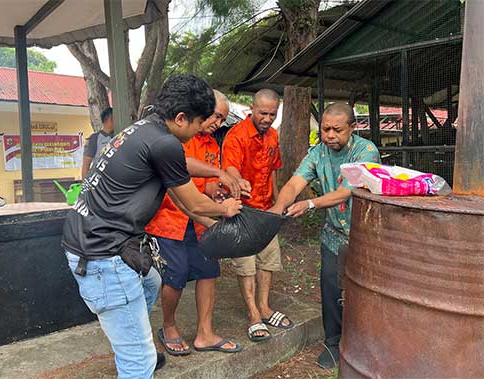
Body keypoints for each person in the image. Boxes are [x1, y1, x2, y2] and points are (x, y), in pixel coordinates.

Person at [61, 75, 242, 379]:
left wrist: (217, 173)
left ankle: (132, 338)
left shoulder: (146, 128)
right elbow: (194, 203)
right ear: (182, 117)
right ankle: (135, 354)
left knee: (151, 282)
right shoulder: (164, 143)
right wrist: (224, 210)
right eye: (200, 122)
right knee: (140, 363)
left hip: (87, 241)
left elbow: (182, 176)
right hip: (102, 256)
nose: (201, 129)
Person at [268, 102, 381, 369]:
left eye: (337, 130)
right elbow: (296, 182)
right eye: (325, 129)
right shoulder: (318, 152)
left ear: (352, 128)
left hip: (365, 234)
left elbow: (347, 190)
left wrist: (309, 204)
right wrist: (276, 208)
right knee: (330, 288)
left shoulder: (366, 150)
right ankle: (333, 344)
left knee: (364, 291)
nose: (330, 135)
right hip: (334, 233)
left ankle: (365, 344)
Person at [146, 90, 246, 356]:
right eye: (215, 116)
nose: (218, 123)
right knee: (176, 274)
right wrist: (216, 213)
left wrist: (223, 191)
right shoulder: (178, 137)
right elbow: (179, 195)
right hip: (169, 219)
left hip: (199, 218)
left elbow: (210, 186)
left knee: (208, 271)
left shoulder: (212, 144)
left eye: (222, 119)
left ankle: (205, 333)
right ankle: (168, 326)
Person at [221, 89, 293, 342]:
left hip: (266, 210)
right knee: (246, 264)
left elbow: (274, 169)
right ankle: (253, 314)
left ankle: (264, 307)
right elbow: (229, 168)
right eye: (263, 113)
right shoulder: (236, 135)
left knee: (268, 260)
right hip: (243, 211)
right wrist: (238, 180)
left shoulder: (273, 135)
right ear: (252, 108)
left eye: (272, 114)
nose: (267, 118)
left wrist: (276, 201)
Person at [81, 107, 114, 179]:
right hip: (100, 180)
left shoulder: (119, 136)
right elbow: (86, 165)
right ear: (110, 119)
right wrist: (85, 186)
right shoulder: (94, 138)